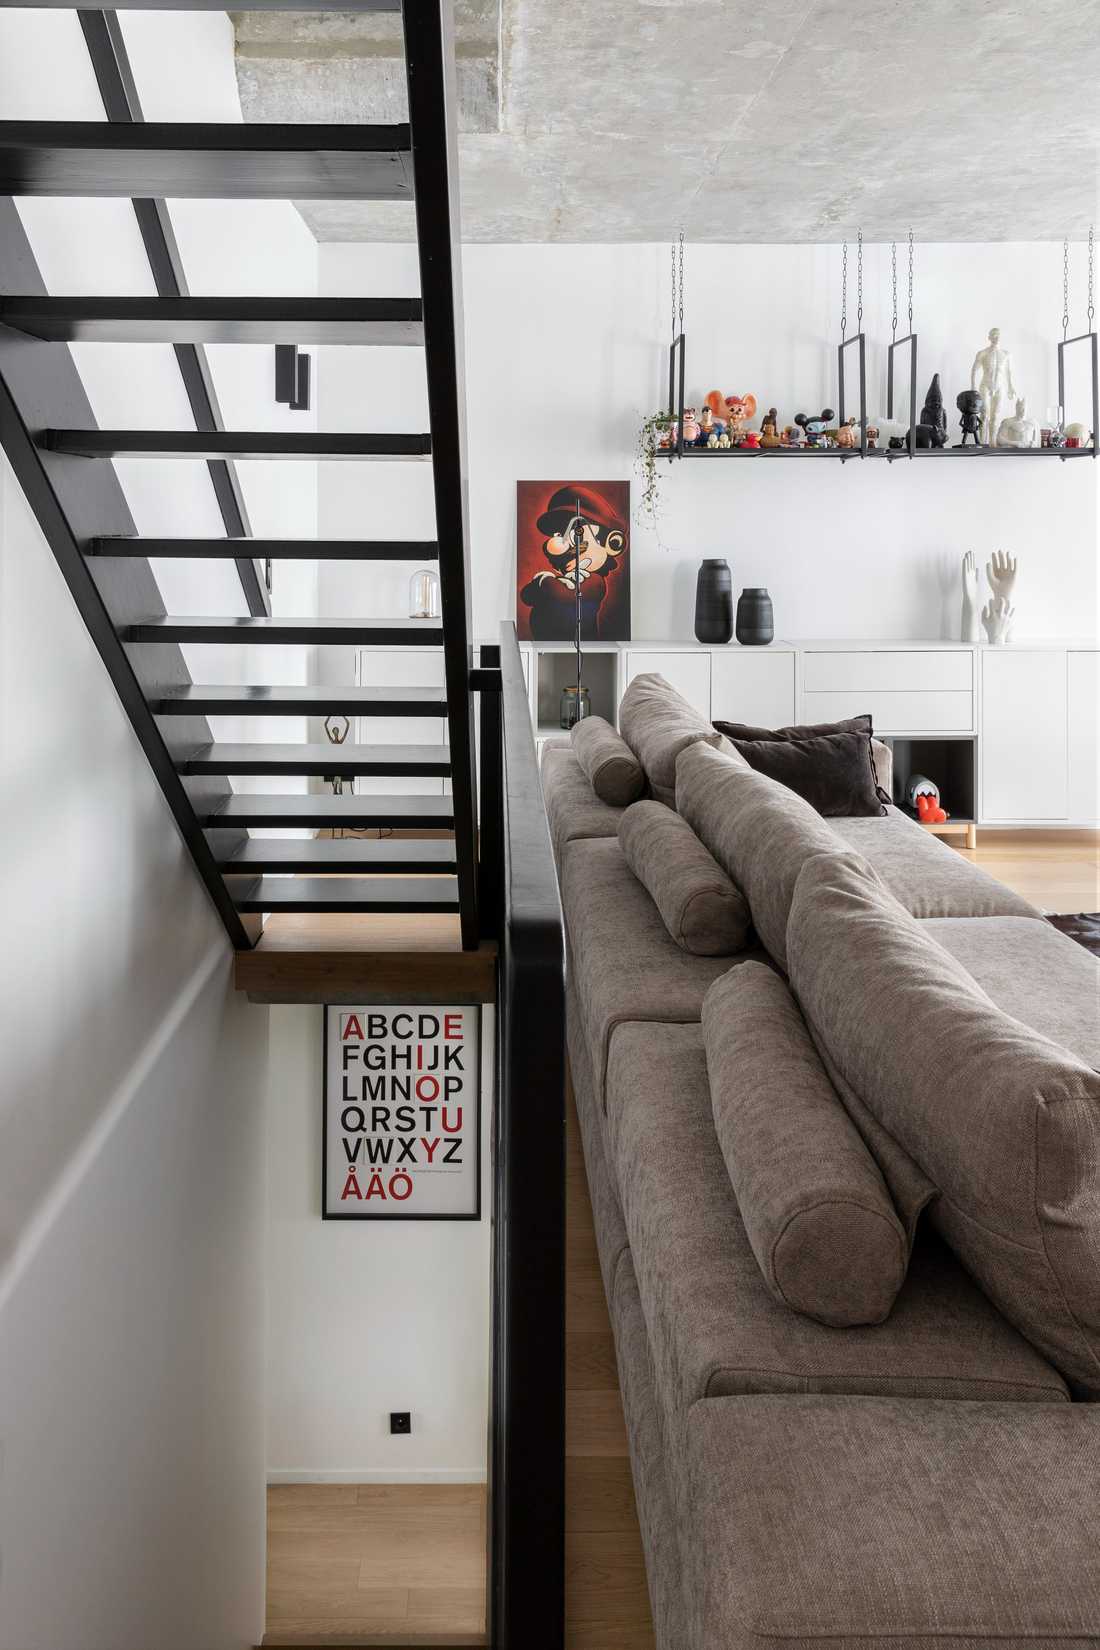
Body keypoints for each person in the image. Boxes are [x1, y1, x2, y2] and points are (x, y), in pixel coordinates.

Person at [519, 485, 626, 641]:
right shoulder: (561, 578)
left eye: (577, 534)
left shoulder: (594, 582)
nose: (563, 544)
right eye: (559, 534)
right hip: (546, 646)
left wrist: (544, 580)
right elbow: (527, 596)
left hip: (579, 645)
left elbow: (561, 595)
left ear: (612, 543)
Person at [970, 327, 1019, 446]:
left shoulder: (1006, 354)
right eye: (994, 335)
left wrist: (1011, 387)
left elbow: (1009, 372)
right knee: (984, 414)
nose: (996, 338)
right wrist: (973, 387)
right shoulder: (983, 353)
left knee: (995, 416)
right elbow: (974, 370)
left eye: (998, 335)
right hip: (985, 386)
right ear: (989, 337)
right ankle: (983, 442)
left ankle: (992, 443)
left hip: (999, 387)